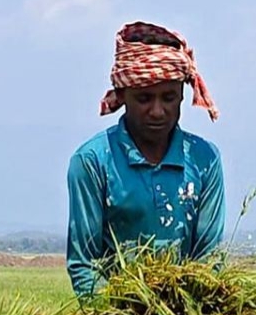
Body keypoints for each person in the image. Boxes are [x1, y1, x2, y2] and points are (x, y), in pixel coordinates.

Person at [66, 21, 226, 298]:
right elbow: (85, 265)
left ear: (181, 96)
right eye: (144, 99)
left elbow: (208, 261)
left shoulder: (204, 159)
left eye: (168, 98)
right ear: (123, 95)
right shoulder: (92, 162)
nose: (157, 111)